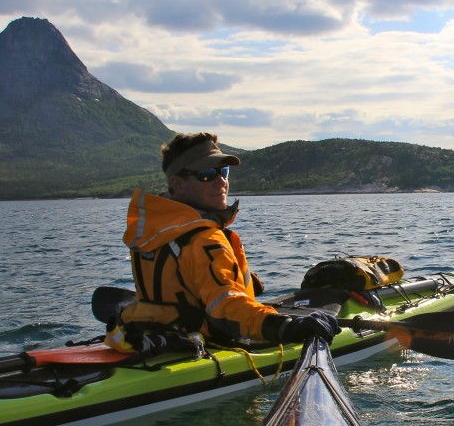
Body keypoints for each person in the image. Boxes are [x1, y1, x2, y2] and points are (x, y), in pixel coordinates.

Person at [107, 132, 339, 354]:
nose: (221, 181)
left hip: (161, 337)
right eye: (206, 174)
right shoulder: (205, 239)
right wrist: (285, 326)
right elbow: (226, 308)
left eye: (223, 171)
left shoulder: (154, 231)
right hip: (210, 344)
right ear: (178, 184)